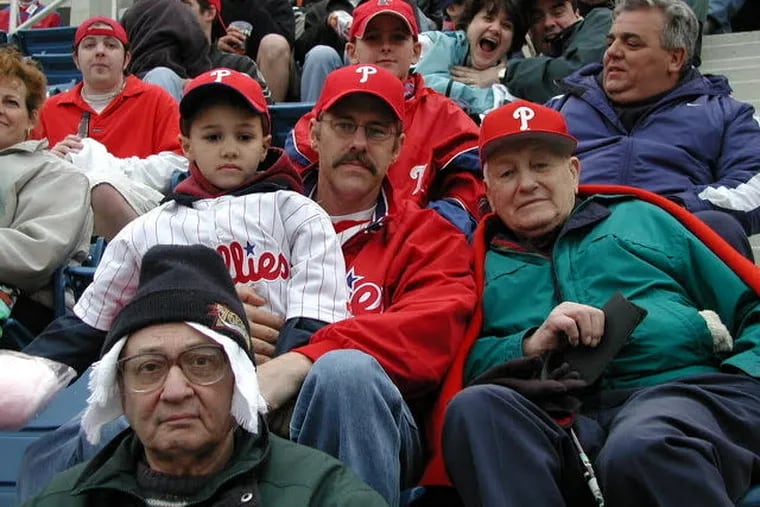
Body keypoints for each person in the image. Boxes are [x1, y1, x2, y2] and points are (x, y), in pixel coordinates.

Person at [420, 99, 760, 506]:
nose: (526, 183)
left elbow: (751, 306)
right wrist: (530, 344)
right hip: (556, 417)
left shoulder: (643, 217)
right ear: (488, 192)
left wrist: (743, 374)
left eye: (542, 165)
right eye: (507, 173)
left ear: (574, 172)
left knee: (640, 445)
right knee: (475, 410)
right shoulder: (474, 262)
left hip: (679, 393)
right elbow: (461, 364)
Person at [255, 63, 476, 506]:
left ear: (397, 149)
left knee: (345, 373)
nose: (358, 143)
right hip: (251, 412)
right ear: (314, 135)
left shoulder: (426, 235)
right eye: (344, 126)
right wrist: (222, 317)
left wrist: (304, 358)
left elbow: (430, 332)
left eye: (376, 132)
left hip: (374, 428)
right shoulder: (256, 220)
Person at [23, 243, 389, 506]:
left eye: (202, 363)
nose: (176, 391)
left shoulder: (322, 494)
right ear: (120, 390)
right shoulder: (63, 499)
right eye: (149, 368)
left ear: (239, 380)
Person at [548, 0, 760, 259]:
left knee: (721, 227)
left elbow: (753, 185)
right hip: (570, 239)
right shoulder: (561, 108)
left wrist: (672, 206)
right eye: (610, 41)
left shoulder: (726, 113)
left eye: (632, 43)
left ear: (675, 57)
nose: (612, 52)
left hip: (671, 243)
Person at [286, 0, 485, 236]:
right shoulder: (328, 113)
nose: (386, 47)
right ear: (351, 52)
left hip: (414, 251)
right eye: (373, 38)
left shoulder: (446, 116)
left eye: (398, 38)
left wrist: (427, 229)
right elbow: (293, 185)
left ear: (416, 50)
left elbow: (472, 186)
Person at [31, 16, 186, 240]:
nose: (100, 51)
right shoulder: (49, 109)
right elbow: (29, 172)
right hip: (65, 220)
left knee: (101, 188)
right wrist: (50, 160)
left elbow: (178, 165)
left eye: (111, 45)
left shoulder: (157, 100)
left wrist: (103, 168)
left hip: (137, 213)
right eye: (90, 44)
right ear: (76, 59)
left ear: (126, 59)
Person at [0, 46, 92, 337]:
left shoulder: (59, 175)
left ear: (31, 119)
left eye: (10, 102)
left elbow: (34, 256)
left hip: (23, 313)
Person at [413, 0, 528, 115]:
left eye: (506, 26)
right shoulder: (432, 43)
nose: (495, 29)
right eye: (488, 19)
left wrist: (502, 76)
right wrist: (480, 95)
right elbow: (421, 86)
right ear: (468, 24)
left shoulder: (515, 79)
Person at [499, 0, 612, 103]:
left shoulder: (602, 20)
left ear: (577, 13)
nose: (548, 23)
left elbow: (576, 74)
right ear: (530, 33)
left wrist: (505, 73)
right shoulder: (520, 87)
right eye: (537, 18)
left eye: (558, 12)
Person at [181, 0, 272, 102]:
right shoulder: (165, 66)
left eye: (184, 6)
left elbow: (266, 114)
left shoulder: (241, 66)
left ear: (210, 13)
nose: (174, 12)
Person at [214, 0, 296, 102]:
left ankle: (269, 114)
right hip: (220, 69)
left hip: (265, 72)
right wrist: (216, 48)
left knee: (274, 44)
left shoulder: (276, 3)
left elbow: (286, 43)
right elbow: (198, 44)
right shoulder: (211, 5)